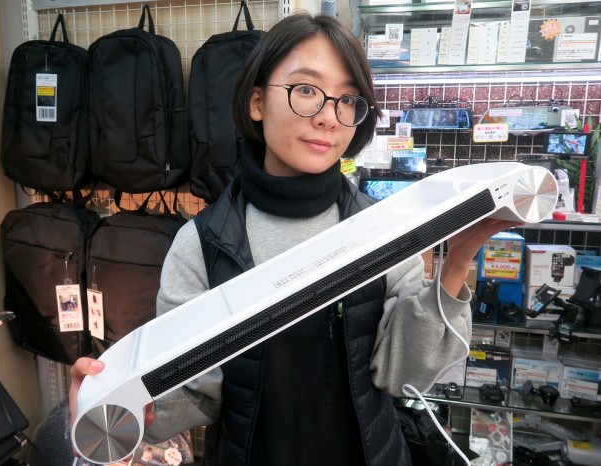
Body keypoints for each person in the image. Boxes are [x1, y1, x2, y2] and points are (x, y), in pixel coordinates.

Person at [70, 12, 520, 466]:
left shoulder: (384, 230)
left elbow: (404, 375)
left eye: (348, 99)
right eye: (306, 89)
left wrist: (457, 261)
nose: (328, 117)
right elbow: (193, 396)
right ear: (256, 102)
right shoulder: (201, 245)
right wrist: (116, 404)